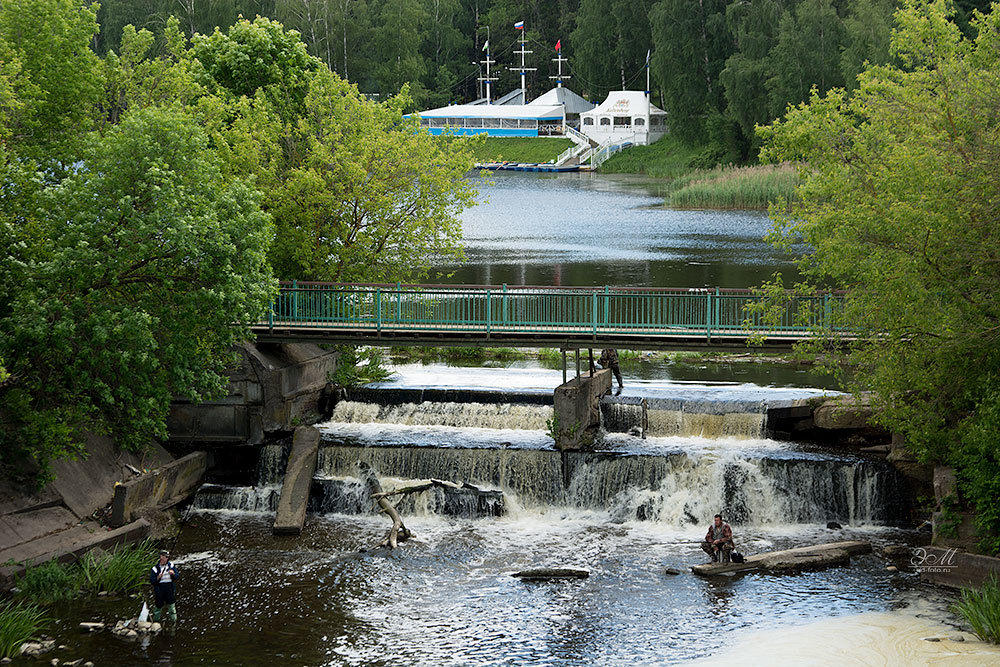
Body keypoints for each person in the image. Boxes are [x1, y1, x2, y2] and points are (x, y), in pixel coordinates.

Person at [150, 549, 178, 622]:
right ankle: (156, 621)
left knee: (172, 607)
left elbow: (177, 576)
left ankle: (173, 621)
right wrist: (158, 578)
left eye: (166, 557)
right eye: (163, 557)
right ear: (160, 557)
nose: (164, 559)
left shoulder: (171, 566)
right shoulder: (155, 569)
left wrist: (173, 574)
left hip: (169, 589)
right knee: (158, 607)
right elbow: (152, 581)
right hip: (160, 589)